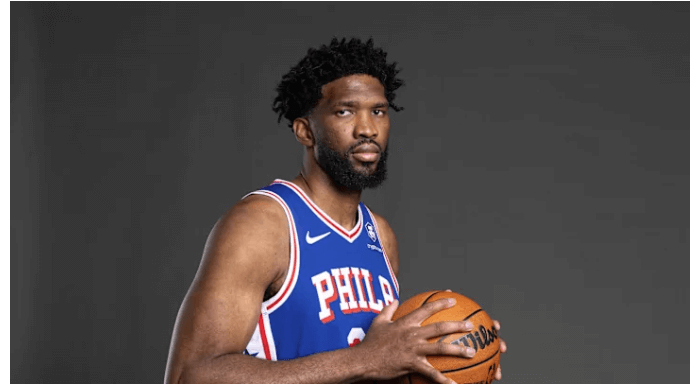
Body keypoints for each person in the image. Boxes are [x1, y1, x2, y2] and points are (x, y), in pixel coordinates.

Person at [164, 37, 506, 384]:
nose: (367, 129)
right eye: (345, 111)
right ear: (305, 131)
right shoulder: (264, 223)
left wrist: (454, 357)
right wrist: (363, 359)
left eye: (378, 111)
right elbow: (190, 376)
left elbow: (376, 367)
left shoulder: (381, 236)